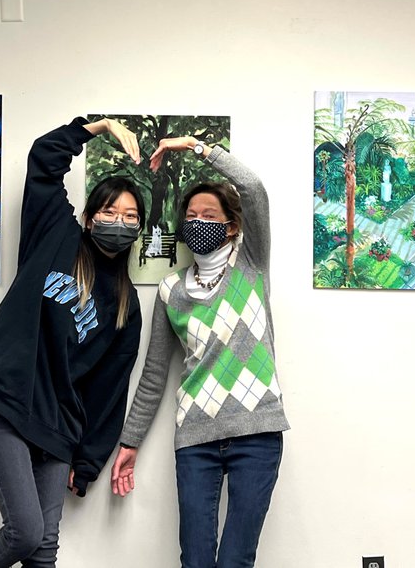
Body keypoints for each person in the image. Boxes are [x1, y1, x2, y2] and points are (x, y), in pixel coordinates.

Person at [0, 117, 145, 568]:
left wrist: (89, 462)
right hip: (4, 397)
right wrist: (94, 127)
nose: (118, 222)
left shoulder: (126, 303)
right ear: (88, 216)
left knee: (43, 551)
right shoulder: (55, 234)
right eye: (109, 212)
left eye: (130, 217)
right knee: (24, 532)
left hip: (58, 426)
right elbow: (44, 161)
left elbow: (109, 389)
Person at [111, 136, 290, 568]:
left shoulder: (251, 265)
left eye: (209, 215)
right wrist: (130, 442)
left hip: (257, 432)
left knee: (235, 561)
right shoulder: (171, 289)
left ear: (232, 225)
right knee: (195, 561)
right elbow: (154, 375)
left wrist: (198, 148)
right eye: (190, 216)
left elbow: (254, 190)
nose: (197, 222)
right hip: (195, 437)